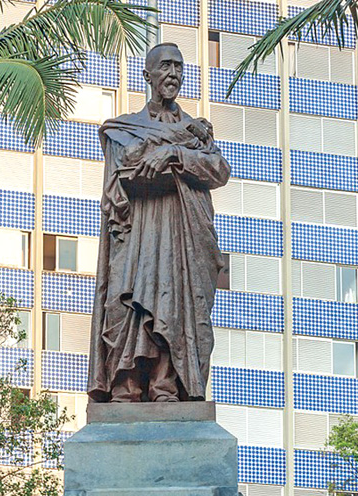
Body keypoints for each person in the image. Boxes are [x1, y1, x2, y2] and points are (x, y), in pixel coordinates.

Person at [87, 42, 231, 403]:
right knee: (127, 303)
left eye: (179, 67)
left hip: (182, 231)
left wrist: (176, 153)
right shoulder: (125, 129)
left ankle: (166, 386)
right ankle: (127, 385)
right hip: (137, 228)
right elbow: (121, 171)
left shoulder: (196, 133)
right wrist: (161, 152)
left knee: (176, 301)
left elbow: (219, 170)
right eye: (165, 67)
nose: (173, 74)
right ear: (147, 75)